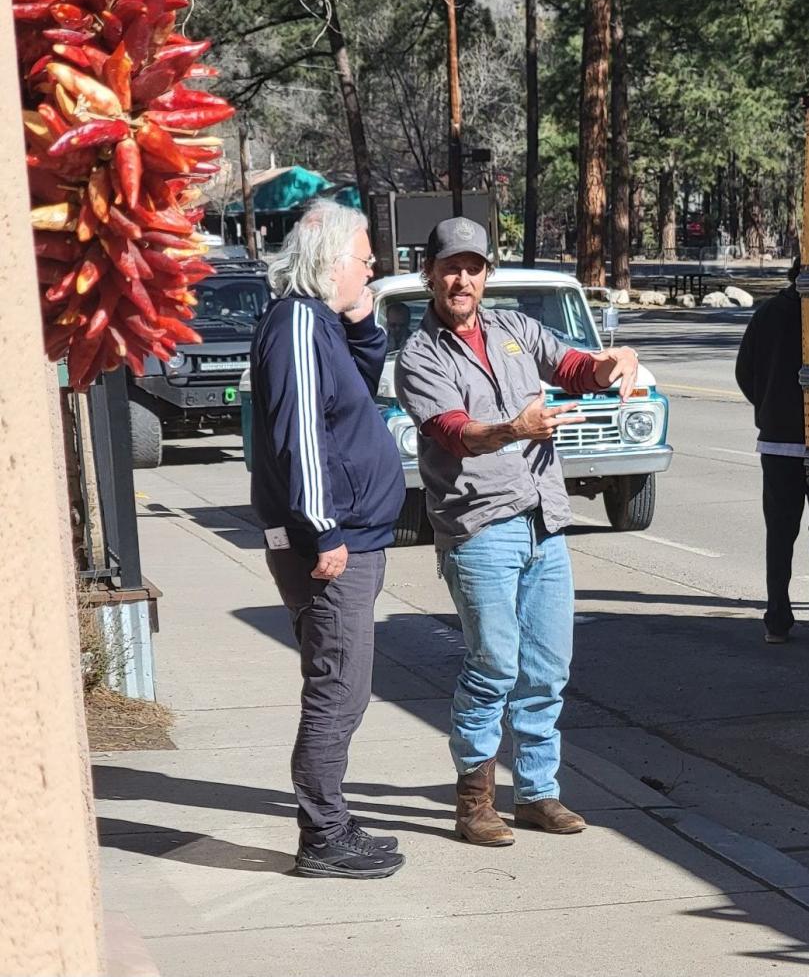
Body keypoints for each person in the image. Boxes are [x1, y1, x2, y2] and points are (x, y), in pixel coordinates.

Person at [395, 217, 641, 847]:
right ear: (431, 274)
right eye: (451, 266)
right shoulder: (420, 356)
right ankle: (475, 801)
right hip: (479, 530)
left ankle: (536, 793)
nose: (462, 279)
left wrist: (618, 360)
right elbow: (454, 433)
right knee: (494, 663)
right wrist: (514, 428)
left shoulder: (514, 329)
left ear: (487, 275)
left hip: (544, 521)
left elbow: (576, 366)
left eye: (473, 267)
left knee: (546, 668)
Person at [249, 199, 406, 880]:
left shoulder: (318, 324)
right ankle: (323, 833)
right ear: (331, 259)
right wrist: (324, 530)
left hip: (347, 535)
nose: (371, 268)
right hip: (330, 542)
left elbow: (357, 393)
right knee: (338, 687)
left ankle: (331, 819)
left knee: (344, 682)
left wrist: (365, 323)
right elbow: (300, 438)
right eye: (365, 258)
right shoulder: (294, 325)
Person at [735, 256, 809, 645]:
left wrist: (767, 406)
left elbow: (744, 371)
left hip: (776, 443)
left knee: (780, 534)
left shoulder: (768, 313)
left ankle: (777, 619)